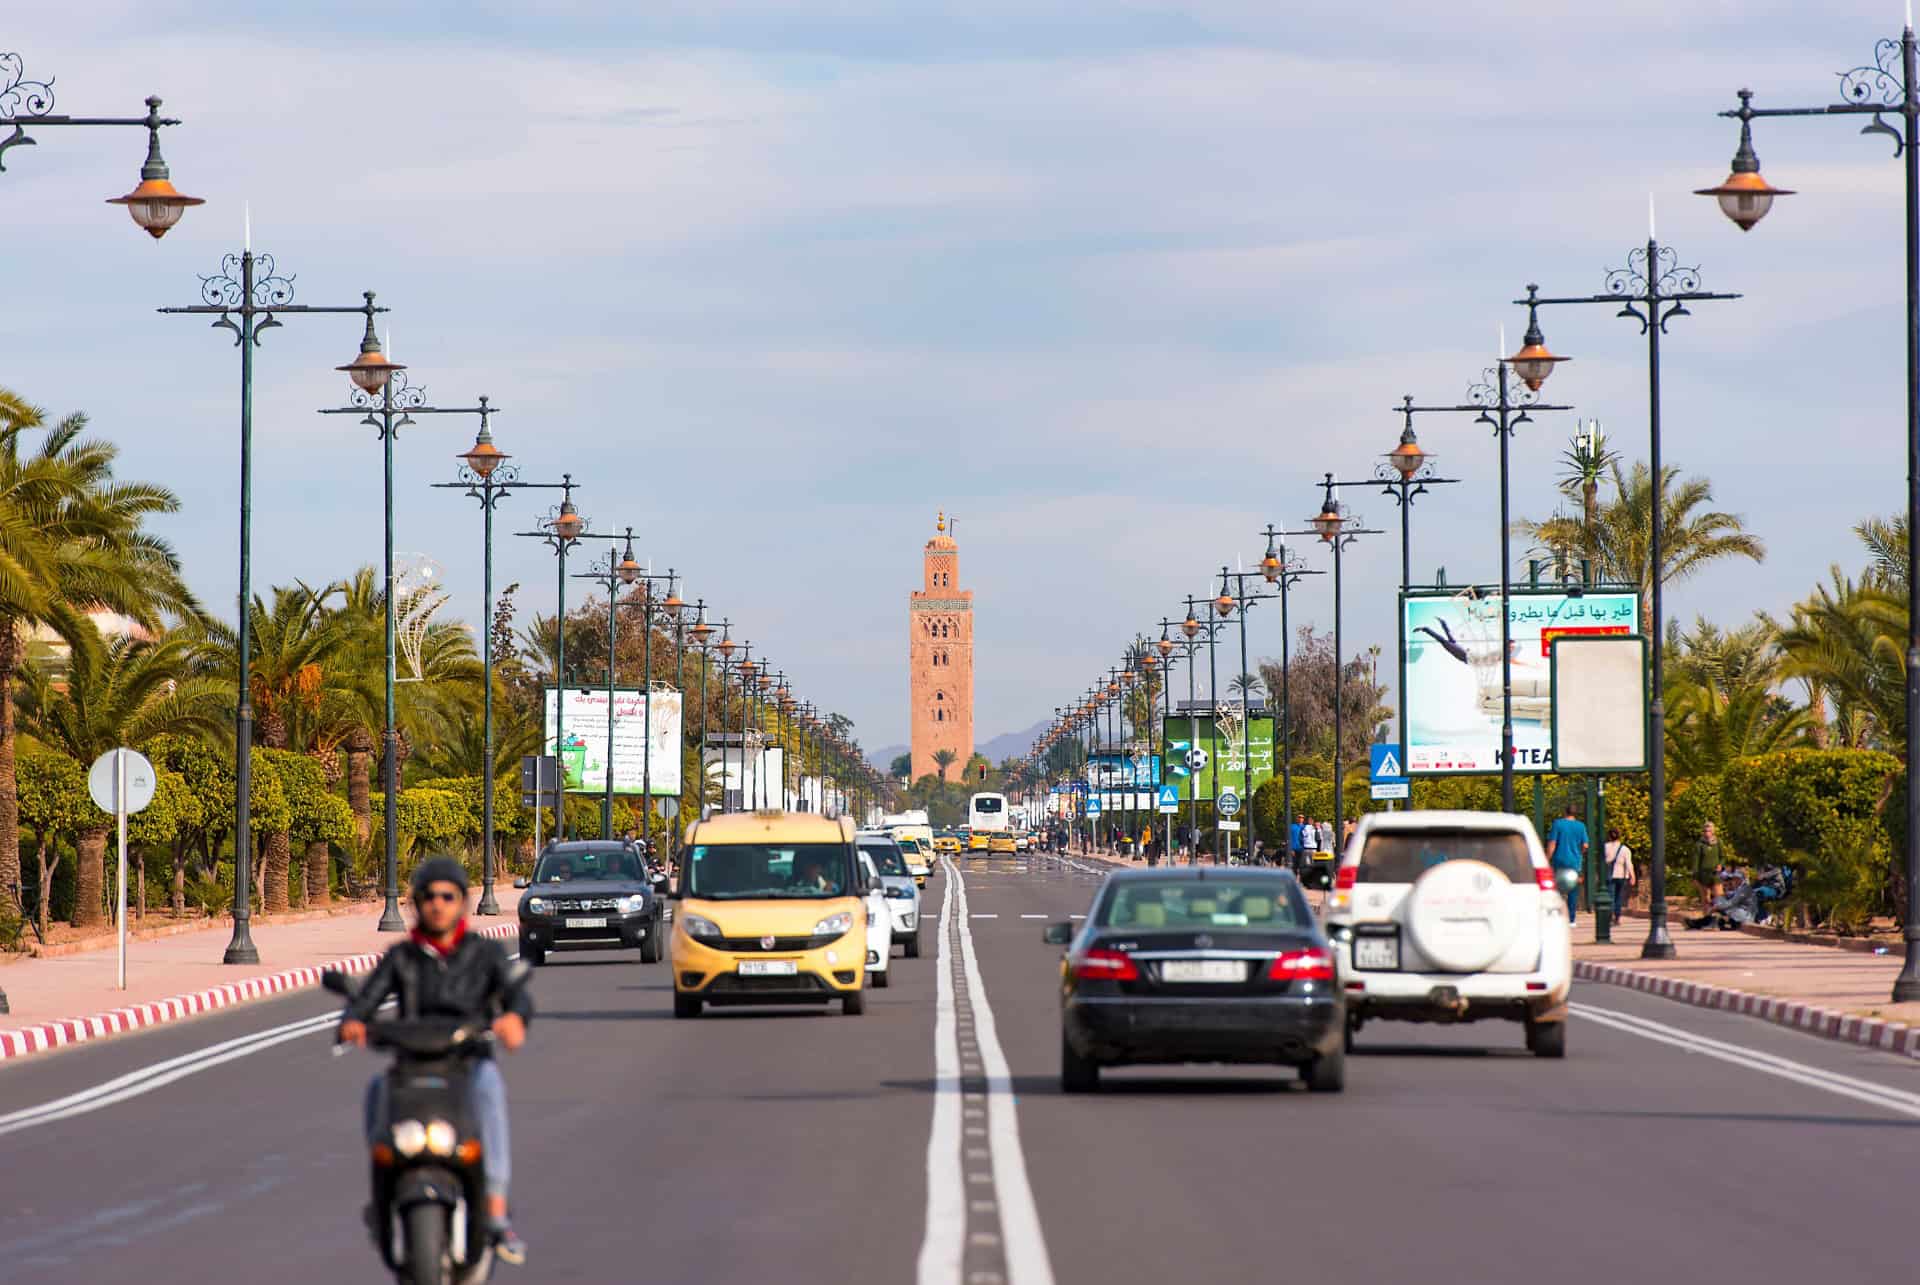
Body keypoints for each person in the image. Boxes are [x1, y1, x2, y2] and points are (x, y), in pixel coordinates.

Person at [340, 857, 532, 1265]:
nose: (438, 904)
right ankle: (382, 1197)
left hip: (467, 1062)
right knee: (376, 1090)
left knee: (490, 1088)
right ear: (416, 904)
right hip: (413, 1066)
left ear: (462, 902)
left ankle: (496, 1209)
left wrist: (514, 1017)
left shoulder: (485, 954)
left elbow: (516, 994)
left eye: (448, 895)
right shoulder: (403, 958)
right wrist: (353, 1020)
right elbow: (367, 998)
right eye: (428, 896)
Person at [1546, 803, 1589, 923]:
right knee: (1573, 889)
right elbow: (1585, 845)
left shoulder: (1558, 824)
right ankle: (1571, 919)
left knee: (1557, 888)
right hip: (1574, 861)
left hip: (1559, 859)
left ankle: (1557, 915)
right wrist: (1579, 852)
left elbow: (1552, 844)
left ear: (1565, 811)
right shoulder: (1581, 826)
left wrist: (1547, 858)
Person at [1605, 828, 1635, 920]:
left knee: (1610, 896)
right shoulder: (1625, 849)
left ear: (1609, 836)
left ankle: (1611, 914)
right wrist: (1632, 876)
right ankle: (1617, 915)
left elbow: (1603, 861)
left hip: (1610, 875)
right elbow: (1629, 863)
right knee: (1618, 896)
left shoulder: (1605, 847)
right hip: (1622, 875)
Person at [1695, 821, 1725, 907]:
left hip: (1715, 875)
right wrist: (1695, 876)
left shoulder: (1718, 842)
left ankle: (1720, 918)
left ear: (1713, 831)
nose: (1707, 833)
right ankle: (1707, 918)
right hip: (1703, 876)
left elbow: (1722, 857)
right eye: (1705, 831)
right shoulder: (1699, 844)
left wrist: (1720, 865)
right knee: (1706, 900)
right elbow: (1696, 862)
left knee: (1719, 898)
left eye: (1709, 830)